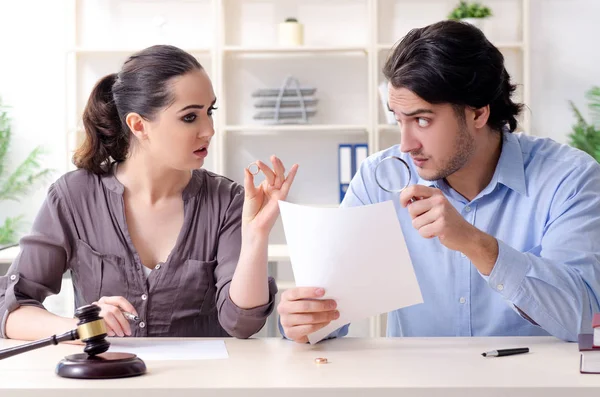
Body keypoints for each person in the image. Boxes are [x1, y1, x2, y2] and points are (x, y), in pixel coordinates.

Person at [278, 20, 600, 343]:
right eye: (398, 120)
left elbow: (585, 319)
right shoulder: (381, 179)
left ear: (478, 113)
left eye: (422, 120)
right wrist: (305, 320)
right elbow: (329, 313)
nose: (405, 144)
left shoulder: (568, 179)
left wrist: (476, 244)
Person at [0, 45, 298, 340]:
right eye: (190, 117)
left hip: (201, 385)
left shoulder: (228, 200)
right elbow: (10, 310)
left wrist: (257, 233)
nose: (209, 129)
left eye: (210, 111)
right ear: (139, 125)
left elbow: (242, 324)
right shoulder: (73, 197)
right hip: (109, 384)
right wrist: (81, 326)